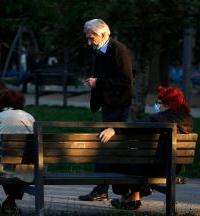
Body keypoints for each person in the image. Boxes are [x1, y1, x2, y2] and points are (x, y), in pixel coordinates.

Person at [99, 85, 193, 210]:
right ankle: (133, 199)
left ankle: (126, 196)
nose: (157, 105)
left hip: (153, 169)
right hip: (171, 168)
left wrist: (114, 129)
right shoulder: (188, 120)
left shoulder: (159, 119)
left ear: (169, 105)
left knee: (116, 162)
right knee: (137, 163)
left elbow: (138, 126)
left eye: (160, 103)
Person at [78, 18, 133, 202]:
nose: (88, 42)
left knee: (107, 149)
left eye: (91, 38)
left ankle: (108, 189)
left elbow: (126, 81)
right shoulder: (102, 50)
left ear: (103, 34)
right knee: (110, 149)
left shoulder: (118, 50)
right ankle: (121, 189)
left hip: (118, 106)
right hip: (109, 105)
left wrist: (98, 82)